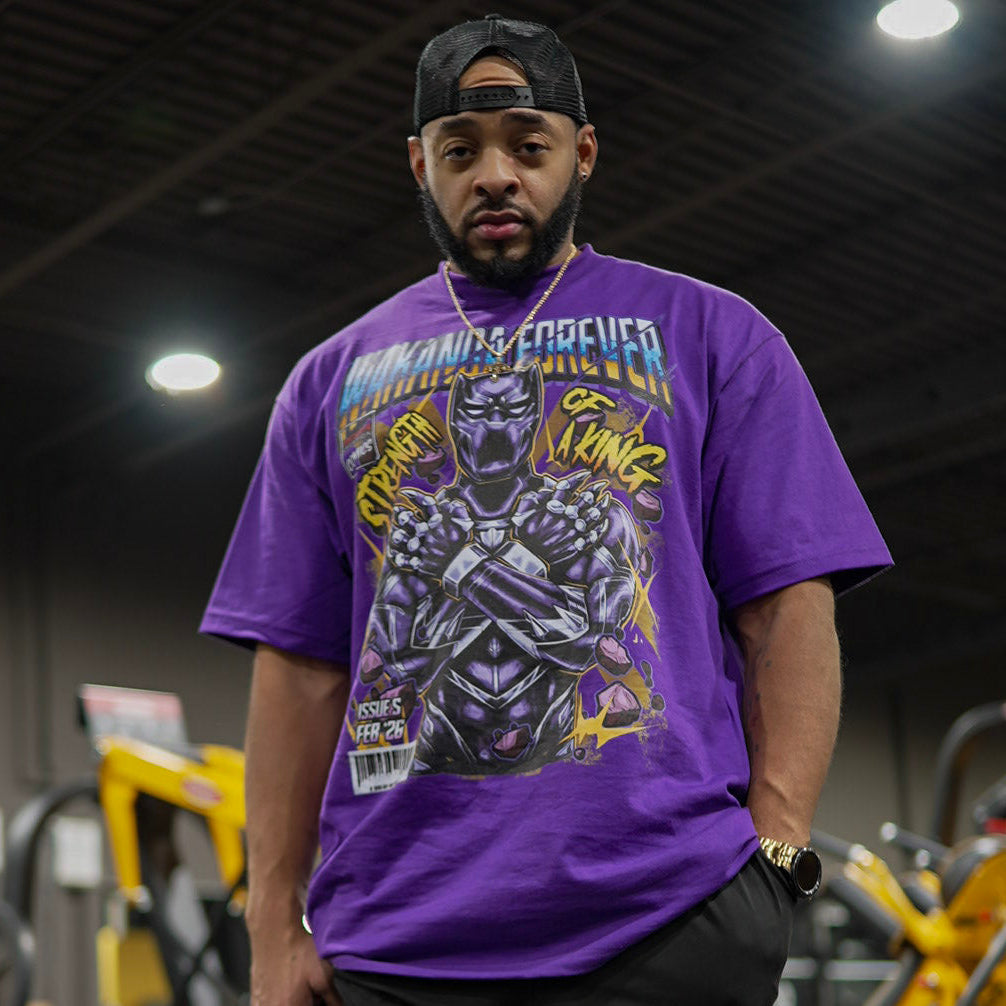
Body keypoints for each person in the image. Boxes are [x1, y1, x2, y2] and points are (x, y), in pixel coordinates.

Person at [201, 14, 892, 1006]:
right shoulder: (329, 382)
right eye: (460, 151)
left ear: (583, 152)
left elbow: (786, 607)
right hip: (396, 943)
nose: (495, 176)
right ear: (419, 163)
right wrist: (272, 924)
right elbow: (300, 669)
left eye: (528, 147)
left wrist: (776, 858)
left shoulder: (712, 336)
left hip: (662, 922)